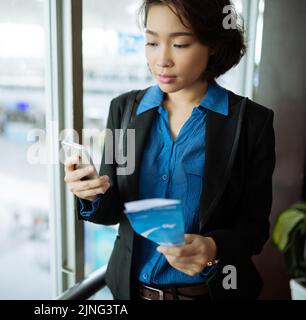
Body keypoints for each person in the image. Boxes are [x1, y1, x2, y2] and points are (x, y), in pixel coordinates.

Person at [64, 0, 275, 300]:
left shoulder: (251, 123)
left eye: (180, 44)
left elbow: (254, 230)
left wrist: (213, 248)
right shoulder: (124, 110)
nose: (161, 60)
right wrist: (90, 193)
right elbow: (111, 212)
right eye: (151, 42)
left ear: (212, 44)